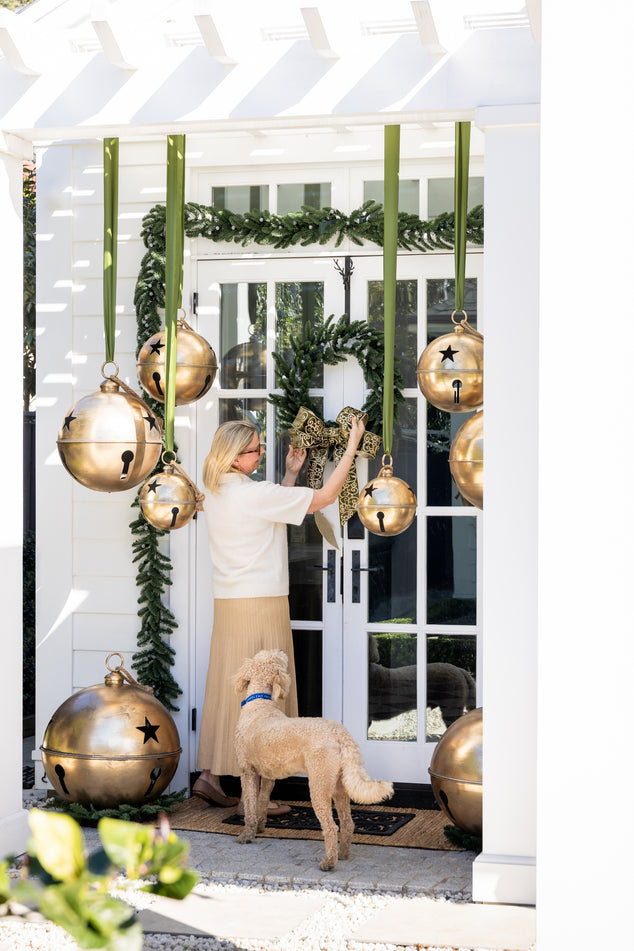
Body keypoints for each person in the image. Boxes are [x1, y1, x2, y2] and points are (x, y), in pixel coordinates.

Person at [193, 415, 366, 812]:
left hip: (230, 602)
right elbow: (322, 498)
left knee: (228, 687)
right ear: (235, 457)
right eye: (255, 450)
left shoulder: (218, 490)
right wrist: (352, 446)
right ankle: (254, 800)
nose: (260, 454)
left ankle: (210, 776)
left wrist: (290, 474)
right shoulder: (252, 494)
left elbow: (270, 513)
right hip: (262, 601)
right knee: (263, 695)